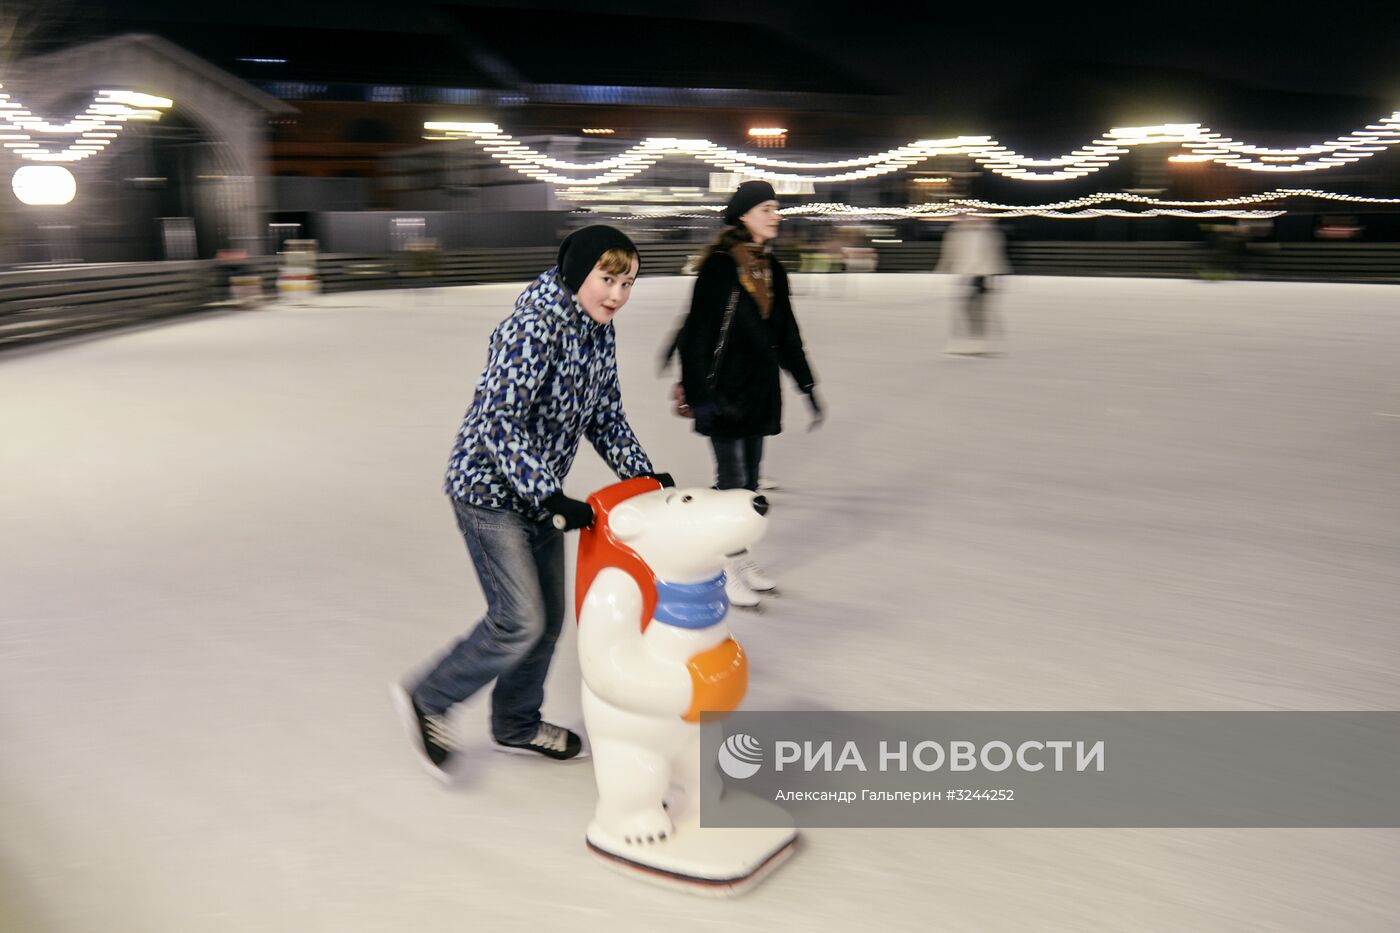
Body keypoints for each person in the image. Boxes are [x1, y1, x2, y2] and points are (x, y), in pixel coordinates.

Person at [393, 225, 673, 781]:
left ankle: (516, 723)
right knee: (518, 619)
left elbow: (604, 416)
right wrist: (547, 495)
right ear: (577, 275)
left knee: (547, 624)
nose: (616, 295)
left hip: (540, 495)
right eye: (607, 279)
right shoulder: (531, 327)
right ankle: (429, 698)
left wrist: (641, 476)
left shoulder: (598, 332)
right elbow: (499, 422)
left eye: (627, 283)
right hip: (488, 492)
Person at [674, 180, 821, 608]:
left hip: (758, 390)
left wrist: (806, 382)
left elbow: (787, 333)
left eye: (777, 208)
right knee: (732, 484)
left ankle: (739, 562)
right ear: (744, 215)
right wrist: (699, 394)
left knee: (751, 487)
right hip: (721, 391)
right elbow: (695, 335)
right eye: (767, 208)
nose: (776, 215)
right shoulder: (721, 267)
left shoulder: (771, 269)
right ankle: (724, 568)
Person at [936, 215, 1010, 355]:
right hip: (973, 274)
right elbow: (953, 251)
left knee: (972, 309)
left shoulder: (982, 233)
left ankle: (976, 341)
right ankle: (974, 341)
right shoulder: (970, 232)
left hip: (979, 275)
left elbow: (989, 255)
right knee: (971, 308)